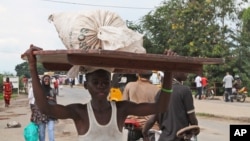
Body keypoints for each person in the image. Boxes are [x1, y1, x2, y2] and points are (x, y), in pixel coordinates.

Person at [25, 46, 175, 141]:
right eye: (95, 83)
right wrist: (32, 67)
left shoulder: (122, 109)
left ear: (110, 85)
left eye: (105, 83)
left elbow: (161, 107)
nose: (101, 87)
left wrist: (168, 72)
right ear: (86, 85)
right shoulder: (79, 112)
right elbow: (46, 108)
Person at [142, 72, 199, 141]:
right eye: (183, 70)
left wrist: (144, 132)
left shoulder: (160, 93)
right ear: (175, 72)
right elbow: (192, 118)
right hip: (180, 138)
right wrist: (194, 130)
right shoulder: (185, 90)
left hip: (163, 138)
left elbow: (153, 118)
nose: (187, 73)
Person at [123, 71, 161, 139]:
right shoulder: (157, 90)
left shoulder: (129, 86)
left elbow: (123, 106)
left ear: (138, 74)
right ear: (151, 75)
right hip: (151, 127)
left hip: (133, 126)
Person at [30, 75, 57, 141]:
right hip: (41, 114)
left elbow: (55, 101)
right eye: (45, 79)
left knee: (51, 129)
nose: (46, 81)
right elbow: (35, 102)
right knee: (41, 133)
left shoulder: (52, 90)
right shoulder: (39, 91)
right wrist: (32, 114)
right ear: (42, 80)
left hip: (51, 113)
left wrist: (49, 98)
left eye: (48, 79)